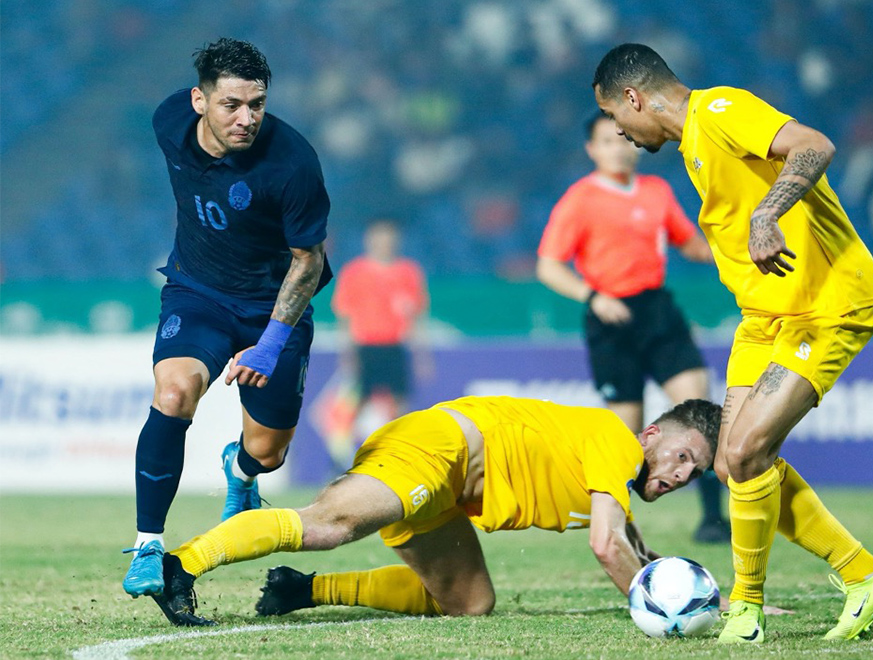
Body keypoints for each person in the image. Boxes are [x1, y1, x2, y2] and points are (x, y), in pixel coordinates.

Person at [592, 43, 873, 643]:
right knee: (731, 465)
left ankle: (746, 611)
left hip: (821, 310)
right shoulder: (693, 147)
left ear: (633, 98)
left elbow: (816, 146)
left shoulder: (722, 111)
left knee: (750, 447)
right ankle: (866, 577)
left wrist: (766, 214)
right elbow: (824, 220)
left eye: (616, 119)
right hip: (766, 317)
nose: (620, 134)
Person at [137, 395, 720, 626]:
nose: (680, 475)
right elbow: (608, 547)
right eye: (682, 456)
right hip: (440, 450)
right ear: (650, 435)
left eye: (694, 472)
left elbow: (641, 556)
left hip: (449, 493)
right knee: (329, 523)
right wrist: (662, 618)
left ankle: (301, 590)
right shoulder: (616, 443)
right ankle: (179, 565)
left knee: (470, 604)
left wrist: (716, 601)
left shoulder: (616, 488)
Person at [122, 38, 334, 599]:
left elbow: (308, 261)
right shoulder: (168, 121)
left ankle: (238, 472)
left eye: (257, 104)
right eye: (232, 105)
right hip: (198, 294)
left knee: (269, 452)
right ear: (199, 101)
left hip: (273, 308)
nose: (247, 119)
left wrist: (271, 342)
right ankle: (147, 544)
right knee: (173, 394)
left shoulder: (292, 162)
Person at [537, 113, 730, 544]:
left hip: (658, 312)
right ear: (592, 150)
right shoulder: (580, 199)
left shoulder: (656, 191)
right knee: (627, 435)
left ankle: (714, 520)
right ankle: (620, 530)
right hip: (610, 319)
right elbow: (548, 266)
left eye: (624, 139)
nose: (619, 148)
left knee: (699, 411)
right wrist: (593, 297)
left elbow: (691, 244)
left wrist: (734, 248)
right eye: (607, 141)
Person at [329, 218, 431, 462]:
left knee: (399, 403)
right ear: (369, 240)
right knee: (357, 403)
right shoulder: (354, 272)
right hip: (366, 346)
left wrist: (421, 355)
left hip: (395, 346)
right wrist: (347, 353)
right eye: (379, 237)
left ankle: (396, 456)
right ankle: (340, 458)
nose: (384, 242)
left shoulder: (408, 272)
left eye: (389, 237)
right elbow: (345, 315)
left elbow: (417, 316)